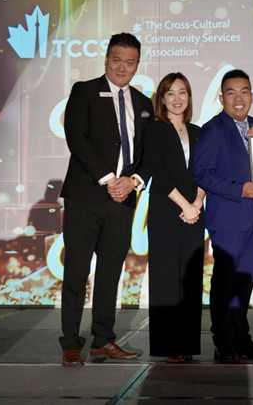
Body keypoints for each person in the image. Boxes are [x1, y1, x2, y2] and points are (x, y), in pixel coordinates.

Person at [59, 32, 154, 367]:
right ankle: (71, 343)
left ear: (137, 65)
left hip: (123, 201)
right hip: (85, 198)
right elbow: (76, 137)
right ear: (106, 59)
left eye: (130, 62)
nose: (122, 68)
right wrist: (108, 179)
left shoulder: (144, 104)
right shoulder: (84, 91)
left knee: (111, 273)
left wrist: (133, 181)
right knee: (76, 272)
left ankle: (103, 339)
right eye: (117, 60)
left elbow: (149, 153)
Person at [193, 69, 253, 363]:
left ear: (252, 95)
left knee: (244, 283)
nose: (239, 98)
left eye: (244, 91)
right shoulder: (213, 130)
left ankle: (242, 340)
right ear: (221, 98)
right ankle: (223, 343)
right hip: (228, 219)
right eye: (231, 92)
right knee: (225, 283)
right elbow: (202, 174)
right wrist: (240, 189)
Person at [144, 73, 205, 363]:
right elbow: (159, 172)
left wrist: (197, 203)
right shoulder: (154, 130)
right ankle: (169, 346)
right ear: (162, 99)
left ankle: (188, 343)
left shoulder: (198, 131)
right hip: (166, 211)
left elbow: (206, 171)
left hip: (195, 210)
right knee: (166, 277)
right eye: (170, 93)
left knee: (190, 278)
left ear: (189, 97)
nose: (177, 98)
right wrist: (185, 205)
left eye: (182, 92)